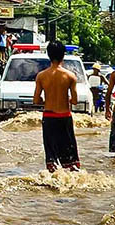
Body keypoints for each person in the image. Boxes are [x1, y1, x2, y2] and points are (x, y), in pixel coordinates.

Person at [33, 40, 80, 173]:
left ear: (48, 55)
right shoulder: (70, 76)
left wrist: (47, 101)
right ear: (63, 55)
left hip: (49, 117)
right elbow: (75, 101)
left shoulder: (41, 76)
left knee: (51, 155)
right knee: (70, 156)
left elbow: (36, 100)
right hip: (65, 116)